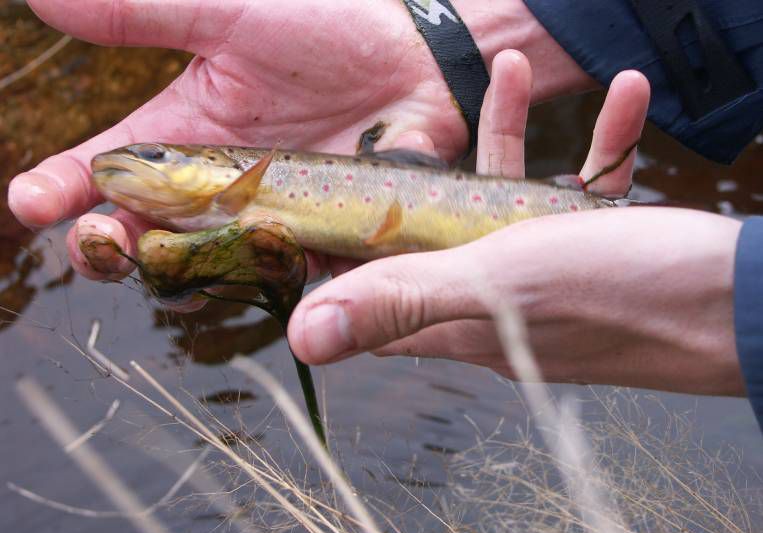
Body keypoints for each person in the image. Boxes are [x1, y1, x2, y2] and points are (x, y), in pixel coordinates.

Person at [8, 1, 763, 428]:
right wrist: (446, 43)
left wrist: (730, 305)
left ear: (223, 171)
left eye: (164, 158)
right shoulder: (217, 209)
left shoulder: (241, 189)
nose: (139, 169)